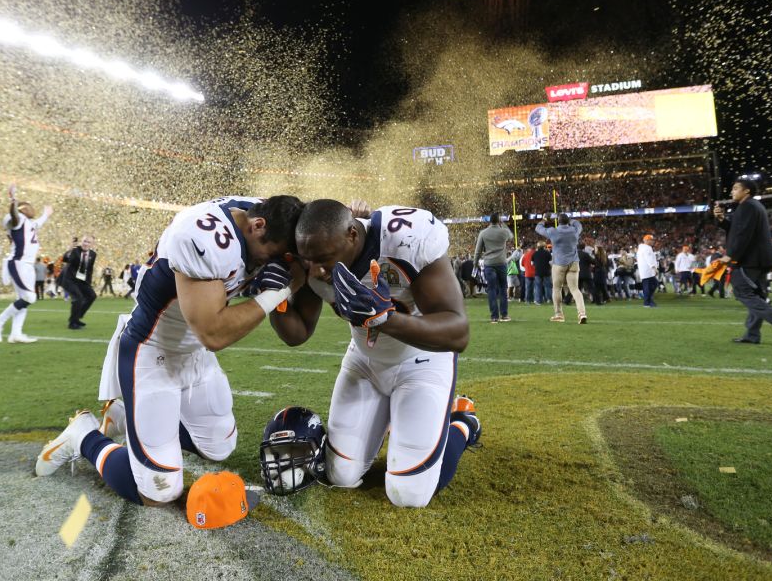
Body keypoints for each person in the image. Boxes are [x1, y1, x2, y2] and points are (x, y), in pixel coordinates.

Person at [33, 195, 306, 509]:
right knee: (159, 492)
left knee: (219, 446)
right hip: (152, 352)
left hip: (194, 352)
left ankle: (125, 417)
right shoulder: (206, 239)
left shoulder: (265, 213)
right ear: (258, 226)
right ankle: (83, 436)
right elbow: (213, 332)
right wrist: (279, 292)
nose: (274, 263)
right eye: (273, 256)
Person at [268, 199, 481, 508]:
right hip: (365, 361)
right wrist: (275, 297)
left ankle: (462, 422)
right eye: (308, 260)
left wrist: (387, 319)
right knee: (341, 475)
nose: (316, 270)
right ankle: (390, 421)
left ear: (352, 235)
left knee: (408, 494)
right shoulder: (312, 257)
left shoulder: (406, 241)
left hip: (421, 361)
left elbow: (458, 332)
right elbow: (296, 333)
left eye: (324, 259)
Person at [713, 176, 772, 346]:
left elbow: (743, 234)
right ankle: (752, 334)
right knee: (758, 297)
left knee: (742, 292)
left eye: (736, 188)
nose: (732, 191)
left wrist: (731, 255)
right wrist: (722, 220)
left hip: (749, 260)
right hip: (760, 260)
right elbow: (737, 229)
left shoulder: (747, 207)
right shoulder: (752, 206)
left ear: (747, 191)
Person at [0, 185, 52, 344]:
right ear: (22, 209)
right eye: (28, 206)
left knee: (23, 299)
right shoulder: (17, 219)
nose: (32, 208)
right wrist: (13, 200)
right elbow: (13, 216)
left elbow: (39, 222)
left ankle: (15, 333)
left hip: (27, 265)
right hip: (19, 263)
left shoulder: (29, 223)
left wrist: (46, 214)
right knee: (30, 297)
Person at [536, 214, 586, 324]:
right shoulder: (574, 230)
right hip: (573, 262)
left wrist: (545, 219)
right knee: (575, 289)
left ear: (558, 221)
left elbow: (538, 228)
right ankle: (582, 313)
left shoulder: (553, 231)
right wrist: (570, 220)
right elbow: (578, 224)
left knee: (557, 288)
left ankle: (559, 314)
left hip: (559, 263)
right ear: (567, 221)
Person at [474, 212, 513, 322]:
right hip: (501, 263)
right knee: (503, 289)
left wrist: (475, 263)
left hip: (489, 264)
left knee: (491, 290)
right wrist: (503, 224)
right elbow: (511, 236)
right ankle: (504, 315)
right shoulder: (503, 231)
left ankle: (494, 317)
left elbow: (478, 250)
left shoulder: (483, 233)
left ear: (489, 221)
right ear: (498, 221)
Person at [60, 234, 99, 330]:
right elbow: (65, 259)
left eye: (88, 242)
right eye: (84, 241)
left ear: (92, 244)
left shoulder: (93, 255)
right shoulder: (75, 250)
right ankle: (72, 323)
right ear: (81, 242)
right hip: (70, 279)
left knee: (92, 295)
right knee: (78, 298)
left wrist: (89, 284)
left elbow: (89, 270)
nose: (86, 243)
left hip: (82, 281)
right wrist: (70, 247)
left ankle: (77, 317)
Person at [636, 235, 658, 307]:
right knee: (650, 286)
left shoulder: (642, 248)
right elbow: (649, 258)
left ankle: (647, 299)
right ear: (646, 240)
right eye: (651, 240)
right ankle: (647, 302)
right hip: (648, 270)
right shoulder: (647, 248)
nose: (652, 241)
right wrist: (654, 268)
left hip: (645, 270)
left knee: (652, 285)